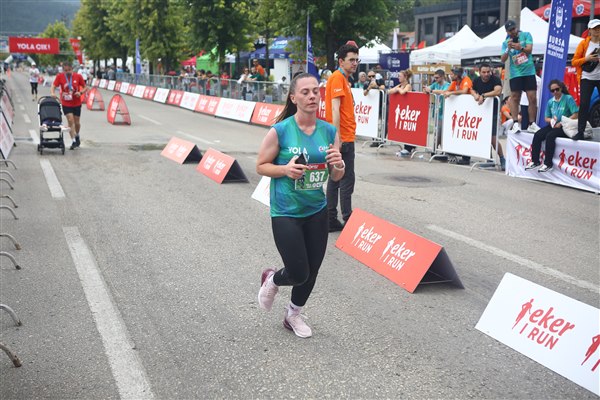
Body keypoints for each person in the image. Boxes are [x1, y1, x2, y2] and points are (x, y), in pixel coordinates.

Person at [256, 73, 344, 338]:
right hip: (286, 211)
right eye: (305, 92)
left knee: (312, 271)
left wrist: (339, 165)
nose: (312, 96)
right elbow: (261, 166)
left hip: (316, 209)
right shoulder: (281, 130)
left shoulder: (329, 131)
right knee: (298, 271)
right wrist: (285, 169)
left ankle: (293, 314)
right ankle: (273, 279)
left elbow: (336, 175)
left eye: (316, 91)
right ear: (293, 98)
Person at [325, 43, 359, 232]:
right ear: (341, 61)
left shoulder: (342, 78)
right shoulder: (338, 78)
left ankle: (331, 217)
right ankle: (348, 217)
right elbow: (335, 109)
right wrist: (337, 138)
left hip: (343, 136)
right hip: (343, 138)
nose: (355, 63)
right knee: (346, 179)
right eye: (351, 60)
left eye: (356, 60)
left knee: (335, 178)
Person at [525, 80, 578, 173]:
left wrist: (562, 122)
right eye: (552, 91)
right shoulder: (550, 102)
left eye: (557, 89)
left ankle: (548, 164)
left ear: (561, 88)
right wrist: (551, 121)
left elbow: (575, 114)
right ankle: (535, 161)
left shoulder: (568, 98)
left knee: (550, 136)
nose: (555, 92)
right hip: (553, 125)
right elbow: (546, 117)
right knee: (538, 135)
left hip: (565, 126)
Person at [501, 19, 539, 134]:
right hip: (515, 73)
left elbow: (529, 49)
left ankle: (532, 124)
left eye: (513, 28)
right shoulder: (505, 42)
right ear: (507, 32)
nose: (513, 31)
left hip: (529, 72)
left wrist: (520, 47)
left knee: (532, 98)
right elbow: (503, 59)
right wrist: (508, 49)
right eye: (510, 30)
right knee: (515, 98)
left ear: (516, 27)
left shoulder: (526, 35)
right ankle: (515, 123)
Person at [470, 62, 506, 170]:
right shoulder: (476, 80)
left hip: (493, 113)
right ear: (479, 72)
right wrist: (475, 95)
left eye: (488, 72)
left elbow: (498, 91)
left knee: (493, 139)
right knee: (483, 137)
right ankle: (489, 159)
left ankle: (502, 159)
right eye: (484, 72)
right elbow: (471, 89)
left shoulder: (495, 79)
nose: (486, 74)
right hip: (481, 113)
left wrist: (483, 95)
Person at [572, 18, 600, 141]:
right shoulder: (583, 44)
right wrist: (587, 59)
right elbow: (574, 62)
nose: (597, 30)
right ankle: (580, 131)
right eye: (595, 28)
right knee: (584, 104)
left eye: (599, 28)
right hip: (586, 77)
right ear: (589, 30)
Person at [51, 62, 87, 150]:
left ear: (72, 69)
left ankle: (77, 135)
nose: (67, 72)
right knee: (70, 121)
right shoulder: (60, 76)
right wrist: (52, 93)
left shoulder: (78, 76)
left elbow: (85, 87)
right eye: (65, 70)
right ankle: (73, 141)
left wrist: (80, 92)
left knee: (77, 123)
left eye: (69, 70)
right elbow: (53, 86)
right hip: (66, 103)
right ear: (63, 70)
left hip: (76, 103)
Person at [443, 67, 473, 165]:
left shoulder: (466, 80)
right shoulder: (455, 82)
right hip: (459, 112)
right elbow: (447, 91)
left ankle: (466, 157)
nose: (450, 76)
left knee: (466, 133)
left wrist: (451, 93)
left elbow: (464, 91)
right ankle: (453, 152)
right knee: (457, 132)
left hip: (469, 111)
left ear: (457, 75)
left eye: (452, 74)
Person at [389, 69, 415, 156]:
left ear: (405, 77)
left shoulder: (408, 85)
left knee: (408, 129)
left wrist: (398, 89)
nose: (398, 78)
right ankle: (407, 147)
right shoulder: (400, 85)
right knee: (404, 129)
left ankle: (409, 148)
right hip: (402, 111)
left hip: (409, 110)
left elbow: (403, 92)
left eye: (400, 76)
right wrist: (397, 88)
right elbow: (389, 91)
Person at [423, 69, 450, 151]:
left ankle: (438, 148)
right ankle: (436, 148)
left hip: (444, 112)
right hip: (436, 111)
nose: (435, 79)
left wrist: (431, 90)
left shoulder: (447, 84)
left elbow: (444, 91)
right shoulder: (435, 84)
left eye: (437, 77)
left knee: (440, 132)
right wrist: (426, 89)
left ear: (442, 77)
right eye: (434, 77)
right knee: (437, 132)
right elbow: (427, 89)